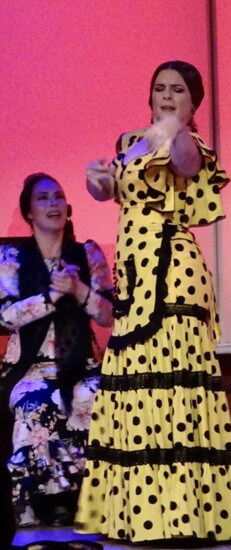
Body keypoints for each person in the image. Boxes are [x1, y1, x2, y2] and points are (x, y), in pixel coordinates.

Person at [75, 60, 231, 545]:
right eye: (159, 88)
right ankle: (127, 515)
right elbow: (108, 190)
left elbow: (184, 166)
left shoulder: (190, 140)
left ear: (194, 100)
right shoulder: (128, 141)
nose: (165, 94)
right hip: (135, 277)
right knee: (129, 388)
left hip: (173, 275)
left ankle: (179, 516)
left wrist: (177, 122)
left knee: (172, 387)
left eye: (177, 89)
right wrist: (96, 178)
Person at [0, 173, 113, 528]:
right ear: (29, 212)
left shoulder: (88, 253)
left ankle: (89, 501)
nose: (53, 204)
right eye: (43, 198)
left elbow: (108, 315)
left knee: (94, 399)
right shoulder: (11, 257)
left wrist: (79, 291)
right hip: (30, 369)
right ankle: (44, 502)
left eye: (59, 197)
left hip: (81, 364)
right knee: (37, 404)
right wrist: (49, 298)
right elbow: (4, 317)